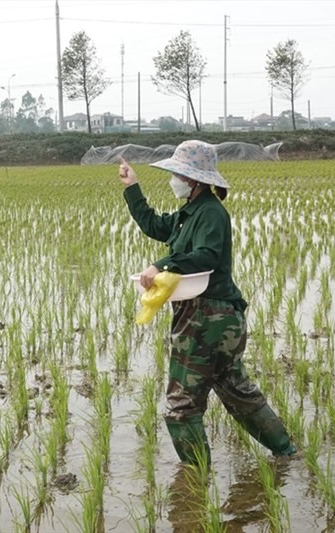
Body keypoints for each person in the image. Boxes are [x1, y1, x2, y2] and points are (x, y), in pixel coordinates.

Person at [117, 140, 296, 467]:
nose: (174, 180)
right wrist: (132, 188)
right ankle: (286, 453)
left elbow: (206, 256)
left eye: (176, 174)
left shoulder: (211, 213)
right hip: (217, 318)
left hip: (207, 318)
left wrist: (162, 266)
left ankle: (195, 481)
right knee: (235, 389)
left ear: (194, 180)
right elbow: (156, 226)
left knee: (181, 405)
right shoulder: (191, 213)